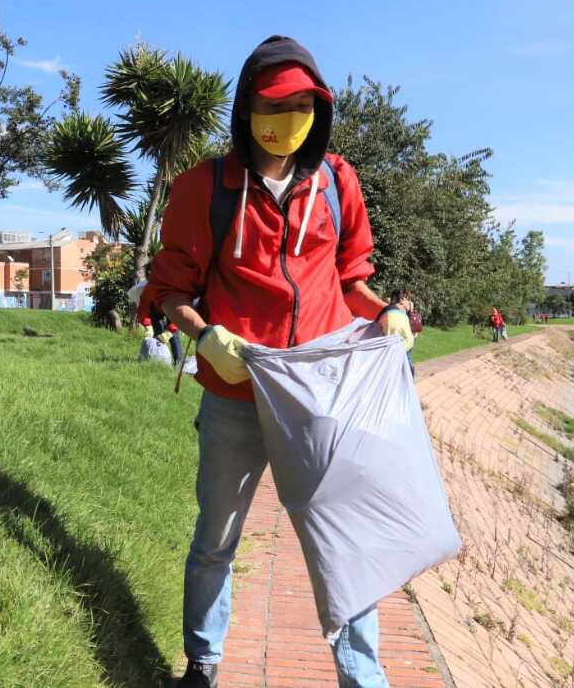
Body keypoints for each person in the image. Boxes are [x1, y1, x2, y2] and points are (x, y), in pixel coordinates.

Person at [140, 36, 412, 688]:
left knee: (344, 543)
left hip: (320, 396)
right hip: (236, 395)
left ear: (319, 111)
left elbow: (350, 280)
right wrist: (205, 336)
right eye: (273, 105)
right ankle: (203, 664)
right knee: (217, 537)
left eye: (301, 107)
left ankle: (363, 678)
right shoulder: (204, 188)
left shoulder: (337, 183)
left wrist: (384, 312)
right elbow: (169, 290)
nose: (287, 120)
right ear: (246, 108)